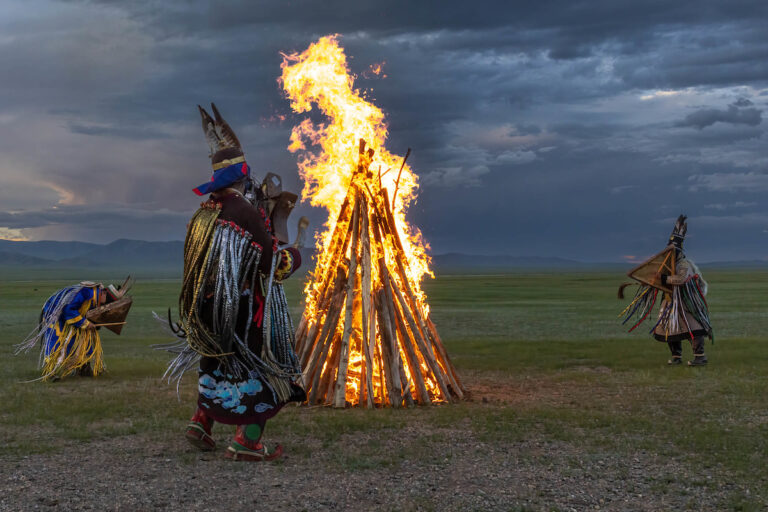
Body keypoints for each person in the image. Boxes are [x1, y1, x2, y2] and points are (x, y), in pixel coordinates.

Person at [158, 103, 304, 462]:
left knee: (216, 365)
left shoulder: (203, 214)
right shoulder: (245, 214)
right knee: (265, 371)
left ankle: (200, 424)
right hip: (243, 314)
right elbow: (272, 268)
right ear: (242, 178)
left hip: (208, 311)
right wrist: (297, 255)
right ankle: (248, 442)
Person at [620, 215, 713, 366]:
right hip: (669, 300)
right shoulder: (665, 264)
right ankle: (676, 357)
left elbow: (681, 279)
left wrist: (664, 280)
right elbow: (657, 276)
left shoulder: (684, 264)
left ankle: (700, 357)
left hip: (685, 301)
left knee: (693, 327)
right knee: (670, 328)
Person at [16, 281, 132, 380]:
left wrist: (92, 324)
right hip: (54, 312)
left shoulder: (96, 296)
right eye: (107, 303)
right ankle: (51, 371)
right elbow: (68, 310)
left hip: (71, 314)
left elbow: (91, 314)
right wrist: (85, 323)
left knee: (84, 338)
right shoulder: (86, 293)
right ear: (105, 294)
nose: (105, 305)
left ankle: (82, 368)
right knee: (57, 339)